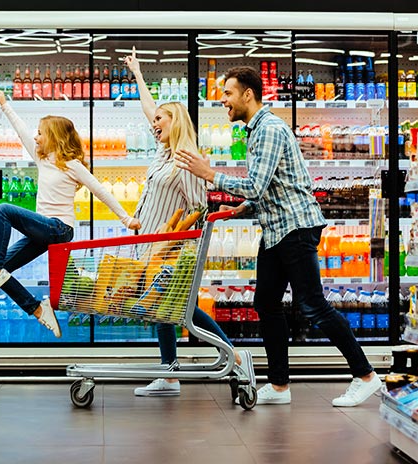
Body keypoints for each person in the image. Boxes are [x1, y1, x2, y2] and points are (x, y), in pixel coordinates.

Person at [175, 66, 382, 407]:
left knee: (312, 304)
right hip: (276, 228)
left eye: (227, 93)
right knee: (266, 303)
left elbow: (257, 184)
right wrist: (244, 209)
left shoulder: (268, 129)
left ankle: (366, 376)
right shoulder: (254, 131)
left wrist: (209, 174)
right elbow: (267, 189)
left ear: (247, 94)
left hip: (294, 228)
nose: (222, 100)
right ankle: (280, 385)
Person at [123, 49, 255, 397]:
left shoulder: (187, 157)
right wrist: (138, 73)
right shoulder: (163, 152)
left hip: (170, 250)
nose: (154, 124)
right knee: (169, 310)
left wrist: (169, 242)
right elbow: (150, 110)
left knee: (178, 310)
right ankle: (175, 372)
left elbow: (198, 207)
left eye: (161, 120)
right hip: (149, 243)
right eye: (154, 121)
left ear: (176, 122)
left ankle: (228, 357)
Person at [0, 90, 141, 338]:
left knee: (3, 211)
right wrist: (3, 103)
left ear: (53, 137)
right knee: (2, 271)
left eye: (41, 133)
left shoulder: (72, 165)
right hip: (42, 231)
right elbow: (21, 130)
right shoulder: (42, 159)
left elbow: (100, 190)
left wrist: (126, 218)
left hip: (58, 229)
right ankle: (36, 308)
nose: (35, 137)